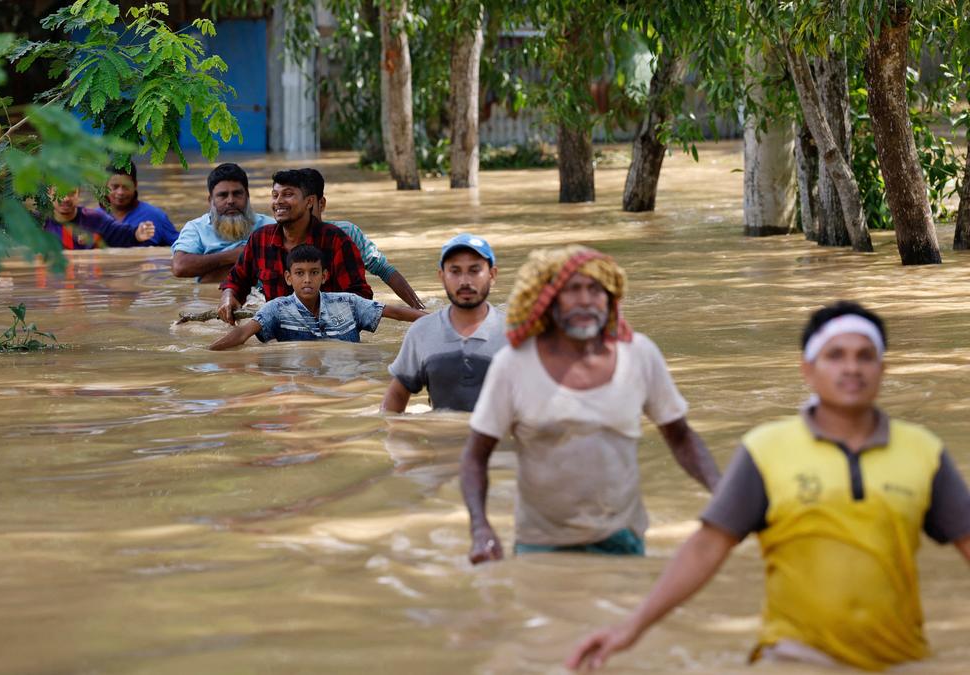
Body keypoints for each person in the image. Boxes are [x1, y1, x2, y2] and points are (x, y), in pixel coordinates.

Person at [567, 301, 970, 672]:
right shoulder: (767, 450)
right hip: (796, 658)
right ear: (807, 370)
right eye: (835, 355)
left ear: (882, 370)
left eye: (865, 356)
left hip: (902, 660)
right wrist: (632, 628)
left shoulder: (923, 452)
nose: (852, 368)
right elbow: (707, 547)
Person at [460, 244, 720, 563]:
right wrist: (481, 528)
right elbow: (475, 457)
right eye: (572, 290)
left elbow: (681, 437)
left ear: (610, 300)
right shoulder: (513, 364)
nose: (585, 300)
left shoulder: (639, 355)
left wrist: (724, 494)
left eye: (596, 290)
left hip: (623, 538)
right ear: (550, 301)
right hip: (541, 544)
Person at [218, 169, 373, 324]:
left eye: (288, 194)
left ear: (309, 202)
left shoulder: (336, 241)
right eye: (275, 195)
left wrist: (324, 316)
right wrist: (228, 297)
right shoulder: (260, 239)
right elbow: (236, 280)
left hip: (328, 335)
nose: (278, 201)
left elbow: (361, 298)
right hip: (279, 338)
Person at [209, 245, 424, 350]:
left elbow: (394, 312)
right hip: (298, 382)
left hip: (345, 379)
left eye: (314, 272)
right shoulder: (276, 309)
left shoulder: (348, 302)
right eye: (299, 273)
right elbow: (242, 334)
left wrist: (438, 319)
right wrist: (207, 352)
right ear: (288, 278)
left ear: (324, 276)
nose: (307, 280)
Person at [382, 234, 506, 413]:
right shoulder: (422, 332)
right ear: (442, 276)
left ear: (492, 275)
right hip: (440, 438)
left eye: (474, 270)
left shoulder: (515, 333)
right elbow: (396, 398)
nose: (465, 281)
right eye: (455, 271)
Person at [298, 168, 424, 309]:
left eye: (308, 204)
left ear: (321, 204)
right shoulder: (278, 238)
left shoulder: (346, 232)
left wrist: (420, 310)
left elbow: (384, 269)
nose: (302, 213)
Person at [171, 163, 276, 283]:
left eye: (237, 194)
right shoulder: (196, 229)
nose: (231, 201)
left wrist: (216, 271)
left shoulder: (270, 227)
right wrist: (234, 255)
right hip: (208, 300)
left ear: (247, 196)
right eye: (223, 195)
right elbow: (180, 267)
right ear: (211, 200)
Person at [44, 187, 155, 250]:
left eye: (71, 193)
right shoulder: (38, 223)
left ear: (79, 193)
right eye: (58, 193)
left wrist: (137, 234)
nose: (65, 198)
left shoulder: (94, 219)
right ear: (48, 194)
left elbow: (121, 233)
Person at [104, 164, 179, 247]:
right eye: (115, 187)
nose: (120, 192)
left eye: (126, 187)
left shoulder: (156, 217)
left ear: (135, 185)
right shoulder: (93, 219)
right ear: (104, 186)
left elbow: (182, 248)